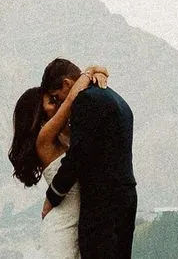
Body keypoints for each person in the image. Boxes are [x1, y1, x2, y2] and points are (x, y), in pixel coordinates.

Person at [38, 58, 138, 259]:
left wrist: (53, 196)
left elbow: (78, 155)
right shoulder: (116, 98)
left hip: (102, 203)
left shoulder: (85, 101)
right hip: (126, 197)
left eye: (57, 97)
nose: (60, 104)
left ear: (67, 84)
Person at [8, 64, 107, 259]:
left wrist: (100, 72)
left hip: (78, 227)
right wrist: (90, 71)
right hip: (61, 230)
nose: (58, 105)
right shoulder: (43, 139)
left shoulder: (63, 135)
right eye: (51, 101)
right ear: (37, 111)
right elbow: (71, 99)